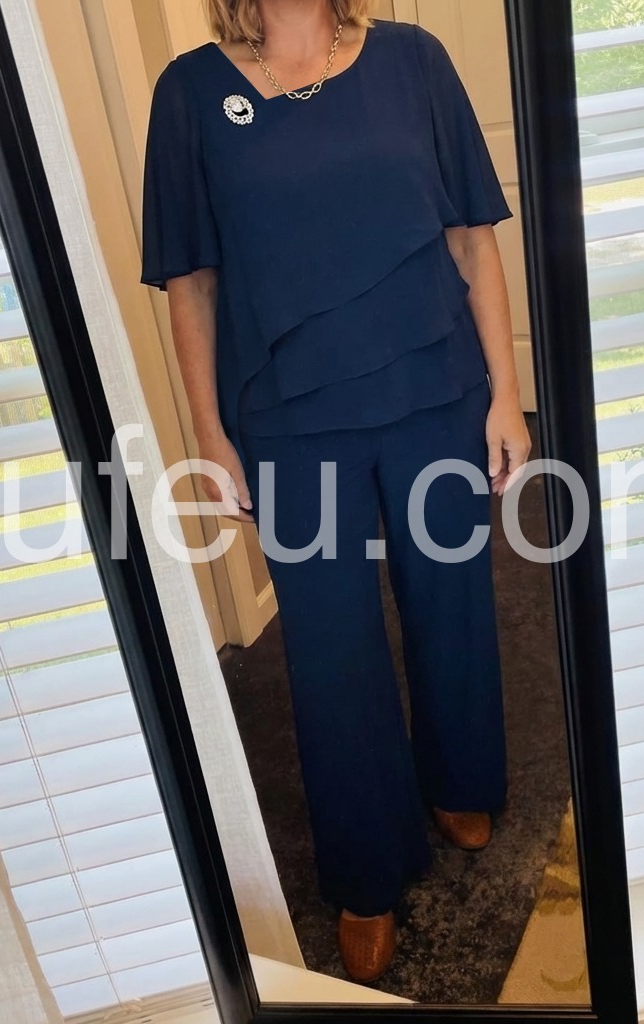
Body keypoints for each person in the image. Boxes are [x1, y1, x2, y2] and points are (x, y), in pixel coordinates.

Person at [141, 0, 531, 983]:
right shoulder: (190, 92)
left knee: (450, 601)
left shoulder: (413, 61)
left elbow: (472, 239)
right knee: (328, 649)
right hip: (287, 417)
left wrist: (506, 394)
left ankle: (459, 778)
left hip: (435, 389)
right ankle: (367, 869)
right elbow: (191, 284)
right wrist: (211, 437)